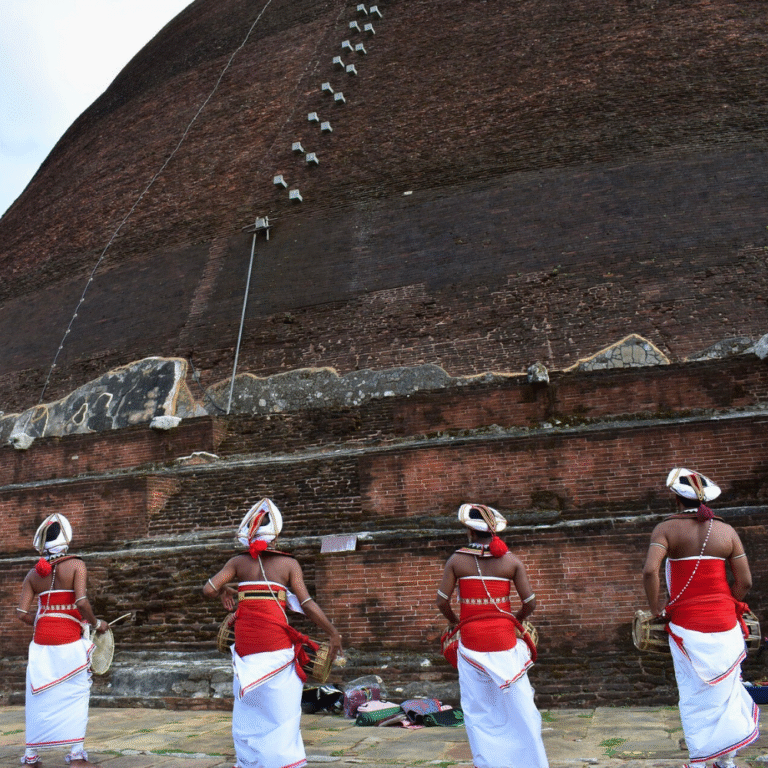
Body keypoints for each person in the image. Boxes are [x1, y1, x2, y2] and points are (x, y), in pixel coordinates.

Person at [204, 498, 343, 768]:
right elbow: (307, 604)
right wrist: (333, 633)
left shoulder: (238, 563)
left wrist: (225, 589)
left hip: (246, 653)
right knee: (281, 714)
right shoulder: (289, 566)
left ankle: (250, 762)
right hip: (276, 649)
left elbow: (208, 589)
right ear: (276, 536)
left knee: (249, 710)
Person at [643, 468, 759, 768]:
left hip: (686, 625)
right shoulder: (727, 532)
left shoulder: (666, 529)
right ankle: (727, 760)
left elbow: (650, 571)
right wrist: (728, 604)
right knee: (727, 691)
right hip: (727, 625)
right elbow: (744, 582)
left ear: (676, 499)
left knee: (694, 693)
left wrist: (656, 608)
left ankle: (698, 761)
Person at [436, 503, 549, 768]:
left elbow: (441, 602)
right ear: (494, 531)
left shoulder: (456, 560)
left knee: (479, 709)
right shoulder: (511, 561)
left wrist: (455, 623)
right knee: (519, 706)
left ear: (470, 531)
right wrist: (516, 621)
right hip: (505, 640)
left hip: (471, 642)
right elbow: (530, 602)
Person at [15, 513, 108, 768]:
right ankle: (76, 753)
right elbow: (81, 602)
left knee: (38, 696)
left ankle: (32, 755)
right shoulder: (77, 565)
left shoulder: (33, 574)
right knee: (76, 692)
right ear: (66, 538)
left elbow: (21, 613)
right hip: (68, 638)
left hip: (41, 640)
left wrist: (42, 619)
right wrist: (95, 623)